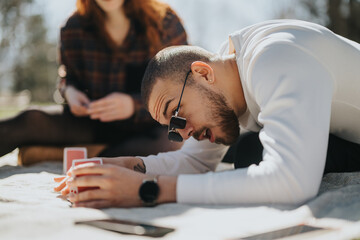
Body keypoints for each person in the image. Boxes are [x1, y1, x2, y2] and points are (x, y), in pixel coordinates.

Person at [57, 19, 360, 208]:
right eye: (173, 130)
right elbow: (195, 161)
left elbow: (293, 182)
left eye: (176, 114)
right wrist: (126, 167)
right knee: (251, 153)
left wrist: (147, 190)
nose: (184, 132)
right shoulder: (222, 75)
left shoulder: (275, 59)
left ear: (202, 73)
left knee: (253, 156)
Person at [0, 0, 187, 159]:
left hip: (149, 127)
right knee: (31, 119)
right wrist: (69, 92)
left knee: (172, 145)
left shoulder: (164, 22)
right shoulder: (73, 28)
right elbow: (68, 76)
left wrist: (133, 105)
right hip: (94, 123)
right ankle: (87, 153)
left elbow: (184, 88)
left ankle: (77, 155)